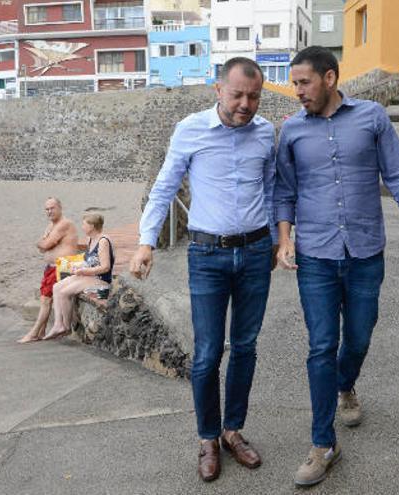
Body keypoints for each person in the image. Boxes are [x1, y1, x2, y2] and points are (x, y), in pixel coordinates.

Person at [274, 46, 399, 487]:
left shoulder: (371, 118)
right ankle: (323, 444)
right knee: (321, 346)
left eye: (304, 82)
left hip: (366, 251)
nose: (298, 92)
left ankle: (346, 385)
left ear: (329, 78)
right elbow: (284, 192)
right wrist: (284, 240)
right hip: (316, 256)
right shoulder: (290, 131)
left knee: (360, 335)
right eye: (294, 83)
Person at [128, 57, 278, 483]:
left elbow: (270, 188)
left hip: (254, 254)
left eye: (254, 96)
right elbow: (164, 187)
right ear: (218, 89)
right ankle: (208, 438)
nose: (246, 104)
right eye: (237, 95)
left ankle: (234, 431)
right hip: (207, 256)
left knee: (246, 346)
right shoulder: (190, 129)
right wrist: (145, 243)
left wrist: (278, 238)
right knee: (209, 353)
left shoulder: (266, 132)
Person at [17, 198, 79, 343]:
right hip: (51, 267)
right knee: (45, 299)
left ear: (60, 208)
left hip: (62, 266)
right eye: (47, 209)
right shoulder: (51, 225)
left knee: (45, 300)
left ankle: (33, 333)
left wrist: (43, 243)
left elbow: (44, 245)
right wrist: (43, 244)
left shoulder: (64, 224)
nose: (49, 211)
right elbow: (43, 246)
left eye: (52, 208)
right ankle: (41, 331)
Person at [43, 213, 113, 340]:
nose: (82, 227)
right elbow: (89, 260)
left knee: (65, 293)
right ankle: (58, 324)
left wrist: (84, 271)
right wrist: (77, 266)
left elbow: (105, 267)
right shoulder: (91, 239)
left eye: (84, 224)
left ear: (91, 226)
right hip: (89, 276)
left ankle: (66, 326)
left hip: (100, 280)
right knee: (57, 287)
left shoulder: (103, 242)